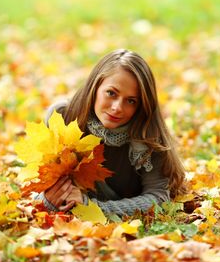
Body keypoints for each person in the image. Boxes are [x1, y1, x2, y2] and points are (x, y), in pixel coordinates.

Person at [36, 49, 185, 216]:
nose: (117, 108)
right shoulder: (63, 117)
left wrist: (92, 207)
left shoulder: (148, 134)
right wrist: (47, 202)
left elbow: (158, 198)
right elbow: (34, 187)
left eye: (131, 101)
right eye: (111, 93)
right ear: (95, 86)